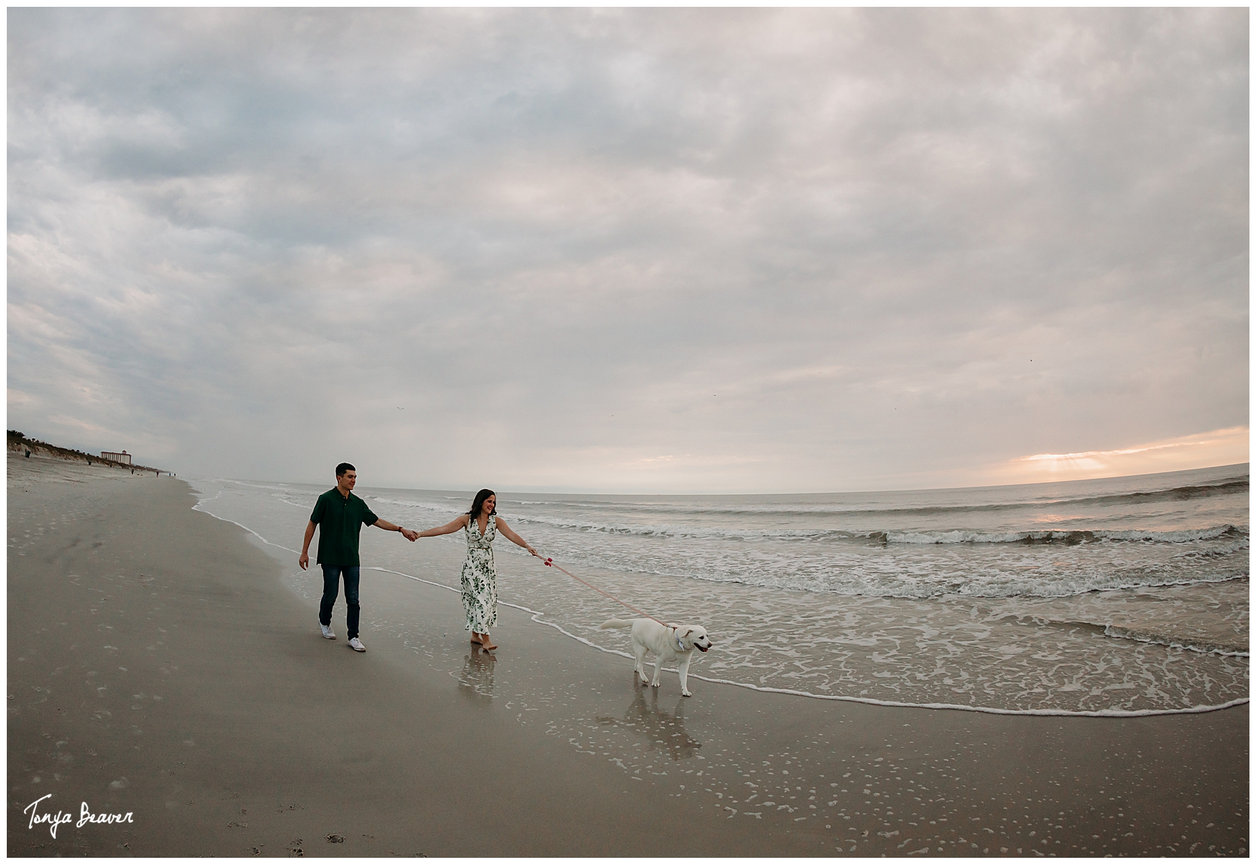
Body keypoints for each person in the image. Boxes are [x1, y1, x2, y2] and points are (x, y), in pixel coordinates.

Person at [299, 462, 418, 652]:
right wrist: (304, 552)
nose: (354, 480)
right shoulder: (326, 499)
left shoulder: (358, 503)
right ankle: (324, 622)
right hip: (330, 556)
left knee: (353, 598)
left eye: (355, 477)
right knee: (331, 594)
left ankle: (353, 636)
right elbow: (312, 524)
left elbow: (376, 520)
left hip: (351, 558)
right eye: (350, 477)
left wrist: (400, 529)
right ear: (339, 478)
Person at [416, 489, 539, 651]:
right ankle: (486, 640)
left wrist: (527, 546)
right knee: (480, 600)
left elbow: (512, 535)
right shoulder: (466, 520)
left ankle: (475, 635)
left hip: (488, 568)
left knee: (484, 600)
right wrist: (419, 534)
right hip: (472, 567)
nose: (492, 504)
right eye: (489, 501)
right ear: (480, 501)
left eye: (494, 502)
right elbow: (443, 529)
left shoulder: (497, 521)